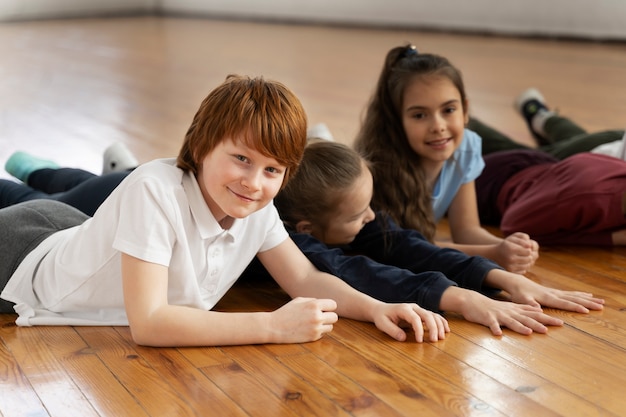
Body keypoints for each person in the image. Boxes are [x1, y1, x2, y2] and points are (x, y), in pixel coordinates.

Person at [0, 74, 450, 346]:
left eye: (273, 169)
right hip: (18, 257)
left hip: (68, 230)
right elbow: (151, 324)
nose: (254, 182)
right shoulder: (154, 190)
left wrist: (376, 308)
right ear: (200, 146)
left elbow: (307, 278)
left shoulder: (255, 206)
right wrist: (272, 327)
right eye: (241, 159)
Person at [271, 139, 604, 335]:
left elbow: (408, 247)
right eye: (359, 215)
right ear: (308, 228)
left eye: (369, 205)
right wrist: (463, 300)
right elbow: (357, 272)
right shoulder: (293, 238)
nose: (370, 216)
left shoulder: (346, 214)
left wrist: (504, 279)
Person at [353, 44, 539, 274]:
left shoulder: (466, 148)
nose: (438, 126)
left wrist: (506, 246)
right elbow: (402, 249)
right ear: (396, 121)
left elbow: (466, 229)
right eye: (420, 115)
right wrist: (494, 254)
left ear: (466, 110)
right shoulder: (378, 167)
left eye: (448, 110)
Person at [476, 149, 626, 246]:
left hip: (536, 163)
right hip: (492, 184)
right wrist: (610, 239)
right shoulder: (582, 198)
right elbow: (512, 225)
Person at [469, 88, 624, 159]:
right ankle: (466, 126)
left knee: (573, 144)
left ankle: (539, 116)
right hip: (601, 158)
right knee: (532, 163)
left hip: (610, 147)